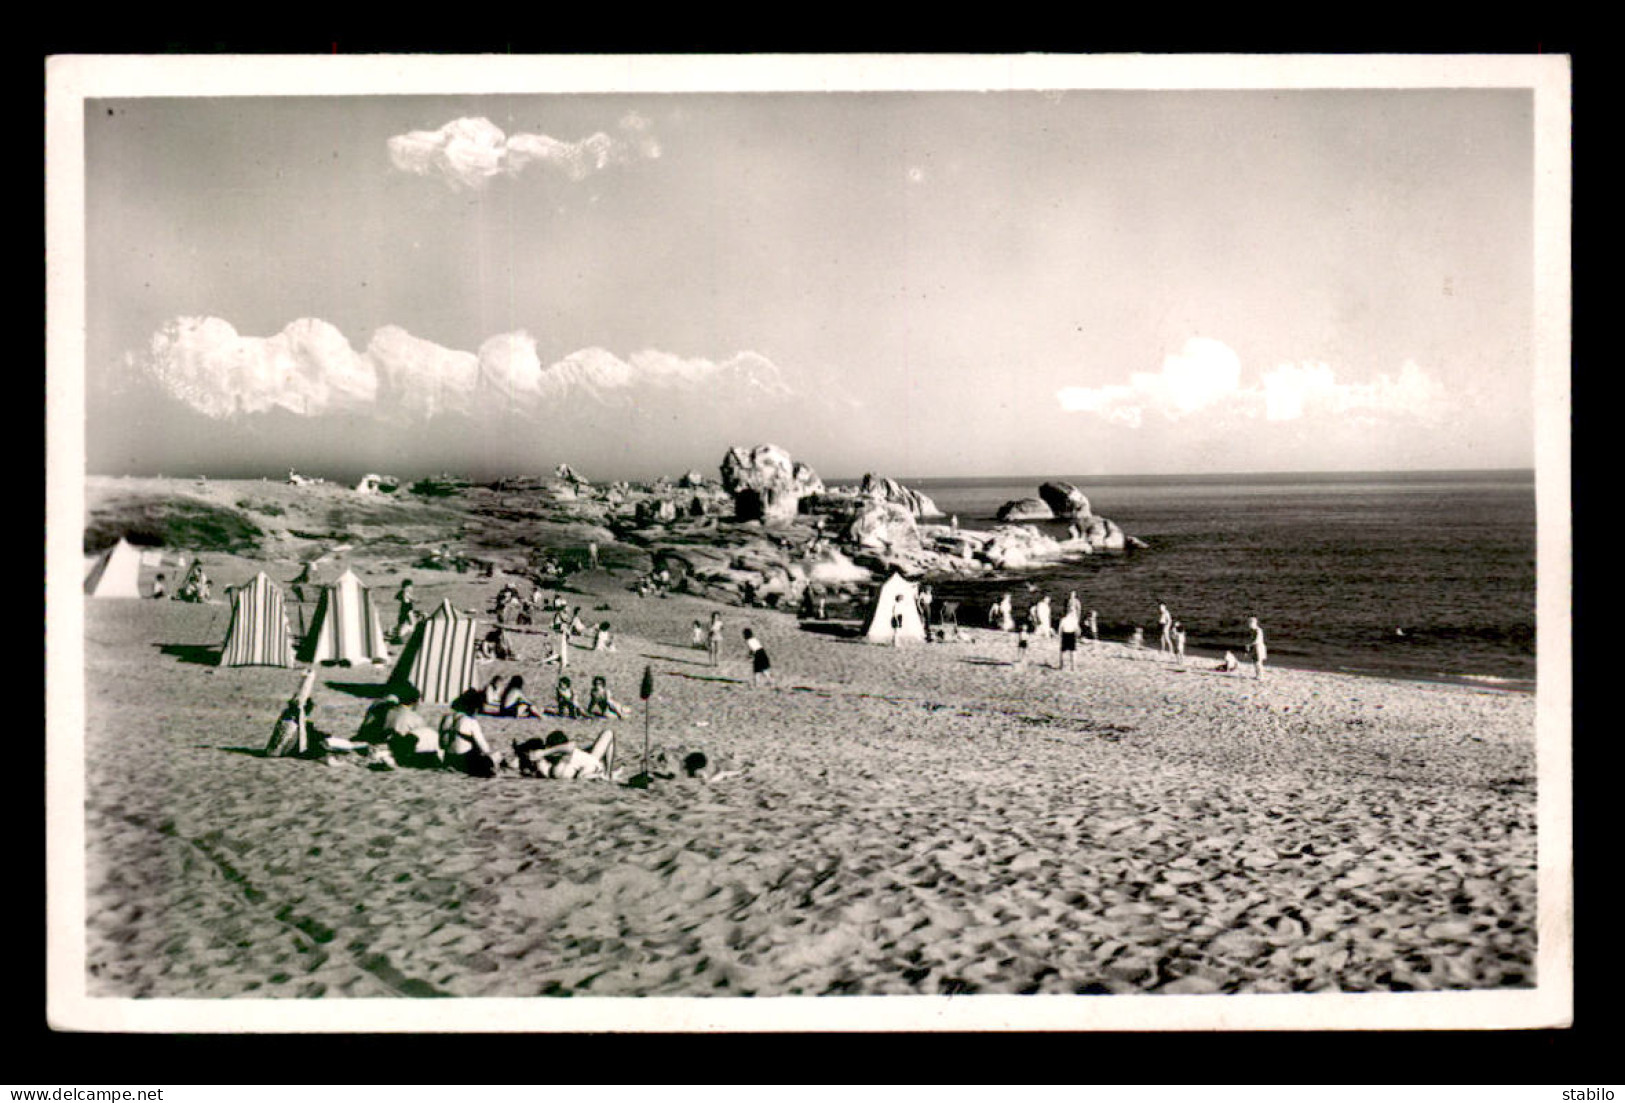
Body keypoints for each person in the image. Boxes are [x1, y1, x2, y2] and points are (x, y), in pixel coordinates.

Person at [514, 729, 616, 780]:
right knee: (608, 733)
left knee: (608, 732)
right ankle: (607, 774)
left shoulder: (552, 757)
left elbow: (571, 746)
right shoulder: (552, 762)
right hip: (589, 762)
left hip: (590, 763)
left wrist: (544, 752)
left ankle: (607, 774)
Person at [439, 698, 497, 777]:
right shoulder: (470, 721)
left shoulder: (445, 718)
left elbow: (441, 744)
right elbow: (483, 745)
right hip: (463, 759)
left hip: (448, 758)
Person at [1057, 606, 1080, 671]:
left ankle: (1062, 666)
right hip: (1071, 634)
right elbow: (1077, 629)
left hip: (1065, 634)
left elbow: (1060, 629)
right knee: (1073, 651)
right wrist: (1078, 635)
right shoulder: (1074, 620)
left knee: (1063, 651)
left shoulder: (1063, 619)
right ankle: (1073, 667)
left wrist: (1060, 635)